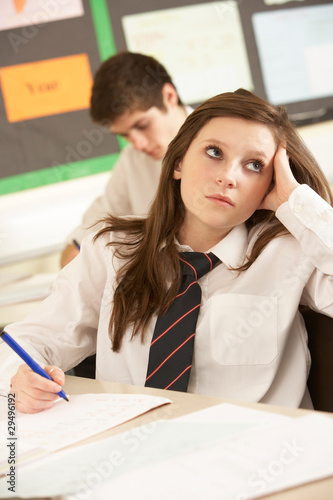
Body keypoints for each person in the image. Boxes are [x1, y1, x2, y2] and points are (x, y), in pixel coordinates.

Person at [1, 89, 333, 414]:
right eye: (214, 152)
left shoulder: (289, 251)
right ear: (177, 163)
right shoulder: (113, 250)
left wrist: (295, 201)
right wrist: (20, 379)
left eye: (255, 165)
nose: (228, 177)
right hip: (132, 451)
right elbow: (31, 340)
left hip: (256, 457)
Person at [60, 51, 191, 268]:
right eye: (125, 134)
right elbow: (97, 223)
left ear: (169, 96)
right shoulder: (132, 160)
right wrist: (75, 254)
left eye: (142, 125)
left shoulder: (226, 142)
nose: (137, 143)